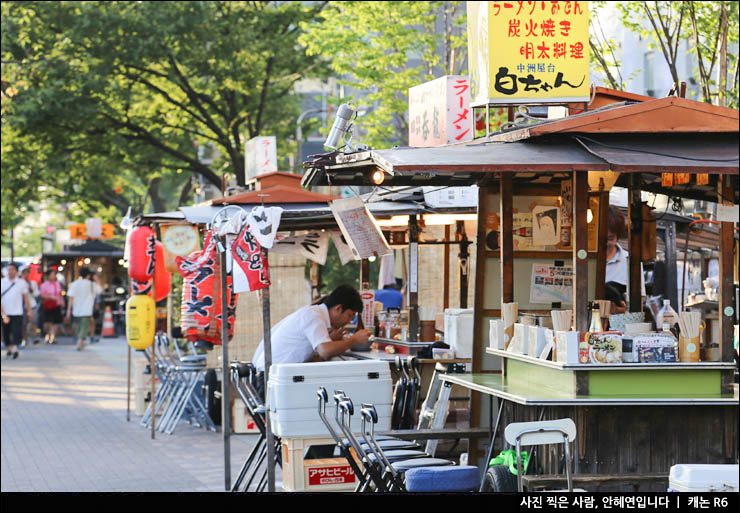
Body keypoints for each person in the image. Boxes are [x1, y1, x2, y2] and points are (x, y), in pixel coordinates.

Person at [251, 284, 371, 395]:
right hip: (269, 379)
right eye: (349, 315)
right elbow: (325, 351)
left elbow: (317, 354)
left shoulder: (314, 313)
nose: (349, 321)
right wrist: (354, 340)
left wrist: (332, 340)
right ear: (338, 309)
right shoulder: (314, 315)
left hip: (274, 376)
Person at [605, 206, 645, 314]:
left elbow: (638, 306)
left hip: (619, 326)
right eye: (601, 238)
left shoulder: (630, 262)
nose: (605, 243)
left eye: (610, 238)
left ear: (618, 235)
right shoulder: (586, 263)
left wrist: (619, 310)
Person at [66, 267, 102, 351]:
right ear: (89, 275)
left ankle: (80, 341)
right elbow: (100, 290)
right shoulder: (91, 284)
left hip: (76, 309)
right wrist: (96, 280)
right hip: (87, 309)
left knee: (79, 326)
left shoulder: (75, 284)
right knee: (84, 327)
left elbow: (71, 297)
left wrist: (68, 310)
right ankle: (80, 341)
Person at [1, 263, 33, 359]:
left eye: (12, 269)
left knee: (16, 331)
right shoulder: (2, 282)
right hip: (5, 312)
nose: (10, 271)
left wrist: (29, 311)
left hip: (17, 311)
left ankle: (15, 348)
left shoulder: (21, 283)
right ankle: (9, 347)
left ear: (16, 271)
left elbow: (26, 298)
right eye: (9, 269)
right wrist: (3, 314)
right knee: (6, 332)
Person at [39, 269, 64, 344]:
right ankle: (48, 335)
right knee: (47, 322)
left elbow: (60, 294)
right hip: (48, 305)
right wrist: (50, 297)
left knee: (56, 322)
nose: (54, 276)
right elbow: (42, 295)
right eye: (52, 274)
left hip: (56, 305)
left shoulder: (57, 284)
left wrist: (62, 301)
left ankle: (53, 337)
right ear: (48, 276)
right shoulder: (44, 285)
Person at [20, 266, 41, 345]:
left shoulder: (33, 283)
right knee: (24, 324)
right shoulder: (19, 283)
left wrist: (31, 289)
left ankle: (34, 337)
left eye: (27, 273)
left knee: (33, 322)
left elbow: (37, 294)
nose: (25, 275)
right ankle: (25, 339)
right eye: (24, 273)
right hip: (22, 306)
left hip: (32, 305)